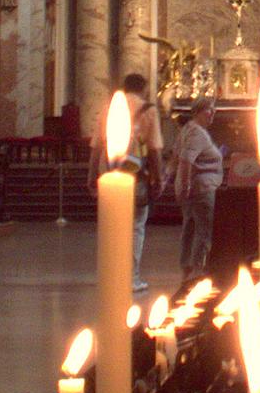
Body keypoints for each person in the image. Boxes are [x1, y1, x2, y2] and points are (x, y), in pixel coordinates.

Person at [92, 70, 162, 290]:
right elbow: (155, 148)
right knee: (137, 225)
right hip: (137, 170)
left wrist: (91, 173)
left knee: (111, 222)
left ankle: (111, 274)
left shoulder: (109, 108)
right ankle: (131, 277)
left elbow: (96, 144)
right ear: (143, 88)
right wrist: (158, 178)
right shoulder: (149, 110)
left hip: (109, 169)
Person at [171, 95, 224, 283]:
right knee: (202, 228)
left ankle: (187, 266)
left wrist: (174, 181)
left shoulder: (188, 129)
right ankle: (198, 268)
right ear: (198, 112)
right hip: (200, 188)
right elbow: (186, 160)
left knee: (190, 226)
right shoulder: (197, 134)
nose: (213, 114)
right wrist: (185, 185)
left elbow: (175, 156)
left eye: (214, 109)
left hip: (192, 187)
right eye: (209, 109)